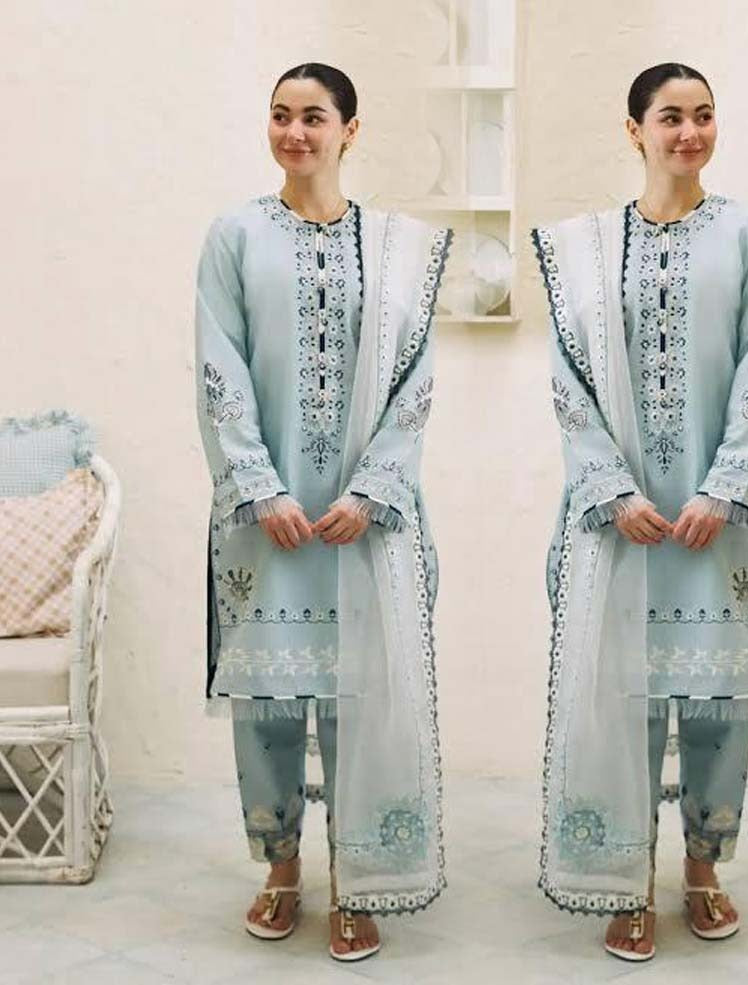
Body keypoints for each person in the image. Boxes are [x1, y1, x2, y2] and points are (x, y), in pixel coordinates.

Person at [531, 62, 748, 960]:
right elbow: (567, 378)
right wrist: (610, 488)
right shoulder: (585, 250)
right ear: (633, 128)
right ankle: (626, 877)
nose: (688, 132)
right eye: (670, 116)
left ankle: (703, 869)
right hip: (621, 520)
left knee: (716, 702)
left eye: (703, 115)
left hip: (720, 520)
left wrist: (725, 486)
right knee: (623, 696)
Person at [194, 62, 453, 961]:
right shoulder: (234, 235)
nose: (295, 132)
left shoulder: (397, 249)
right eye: (280, 115)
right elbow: (218, 365)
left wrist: (373, 488)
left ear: (350, 129)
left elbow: (416, 377)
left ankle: (357, 876)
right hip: (263, 521)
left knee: (360, 697)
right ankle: (280, 868)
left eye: (313, 116)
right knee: (268, 702)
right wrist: (258, 486)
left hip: (362, 520)